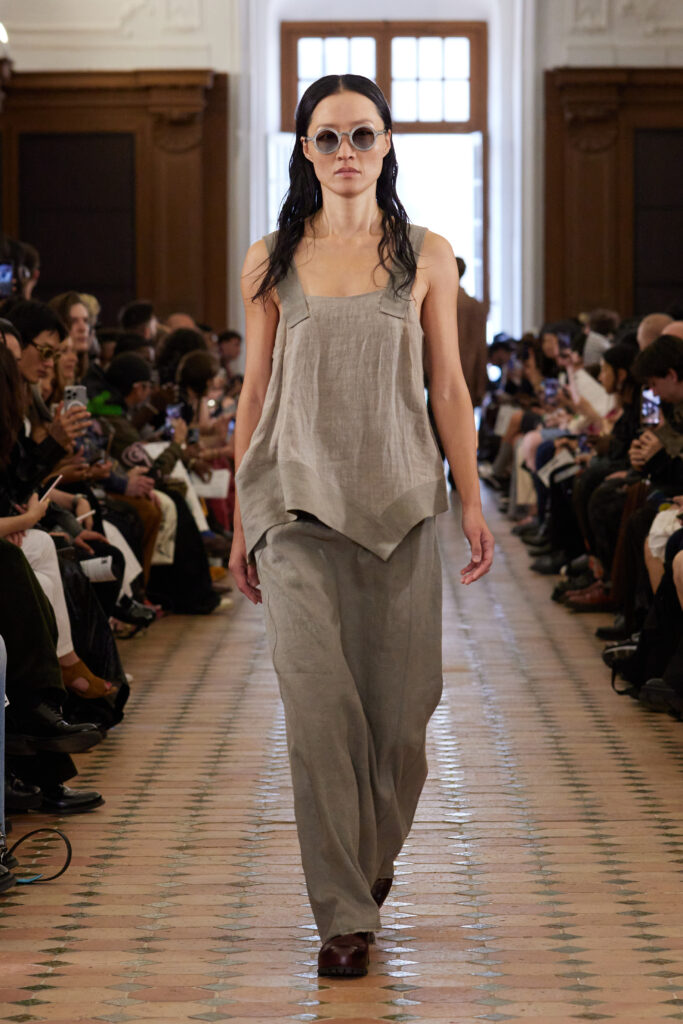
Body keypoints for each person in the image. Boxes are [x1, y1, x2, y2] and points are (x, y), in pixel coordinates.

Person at [229, 74, 494, 979]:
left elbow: (447, 386)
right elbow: (254, 393)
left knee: (401, 721)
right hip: (292, 507)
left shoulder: (426, 254)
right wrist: (240, 515)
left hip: (400, 505)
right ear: (304, 151)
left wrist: (470, 498)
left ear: (386, 145)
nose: (346, 151)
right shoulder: (270, 258)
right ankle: (342, 914)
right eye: (328, 137)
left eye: (362, 135)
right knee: (318, 714)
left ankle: (367, 862)